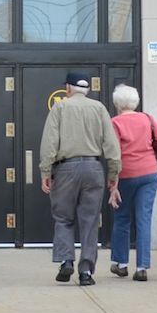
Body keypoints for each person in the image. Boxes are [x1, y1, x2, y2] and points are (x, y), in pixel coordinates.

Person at [38, 71, 120, 286]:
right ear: (87, 90)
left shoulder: (60, 107)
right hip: (93, 167)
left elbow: (49, 143)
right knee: (90, 221)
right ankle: (86, 272)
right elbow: (111, 145)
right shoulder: (99, 108)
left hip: (66, 168)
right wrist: (113, 174)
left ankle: (66, 260)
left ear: (68, 88)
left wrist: (45, 172)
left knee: (63, 217)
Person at [108, 85, 157, 281]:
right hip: (149, 173)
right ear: (135, 101)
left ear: (117, 103)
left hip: (126, 174)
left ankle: (121, 263)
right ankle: (142, 267)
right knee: (144, 219)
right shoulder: (147, 119)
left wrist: (113, 185)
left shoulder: (115, 123)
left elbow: (114, 156)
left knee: (122, 217)